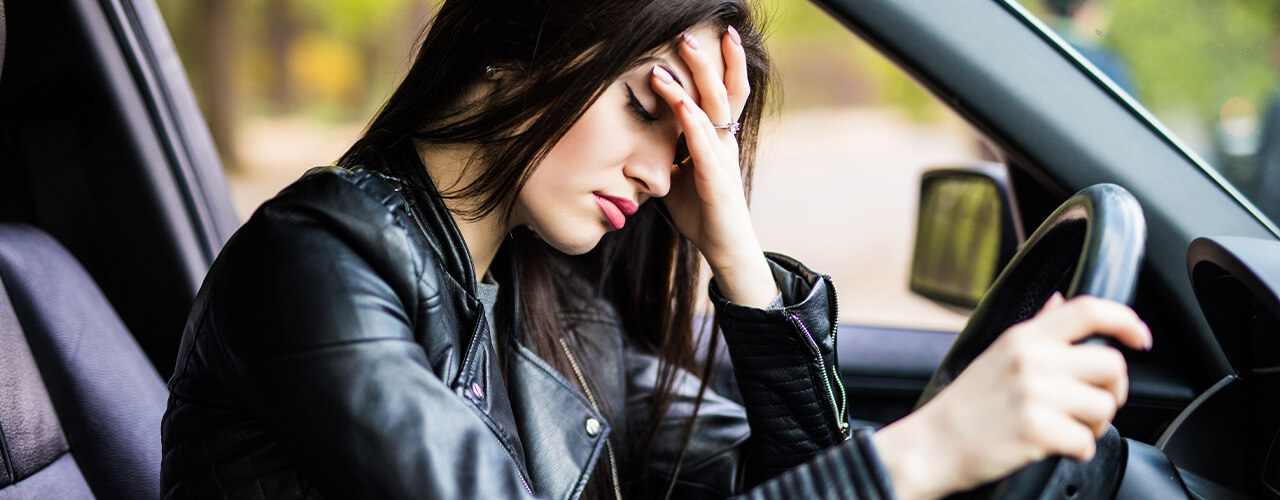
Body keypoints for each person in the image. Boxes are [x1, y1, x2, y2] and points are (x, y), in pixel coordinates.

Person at [159, 0, 1152, 498]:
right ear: (521, 40)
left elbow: (797, 467)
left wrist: (735, 252)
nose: (659, 167)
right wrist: (922, 449)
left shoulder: (550, 298)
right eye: (646, 107)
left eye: (689, 146)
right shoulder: (318, 263)